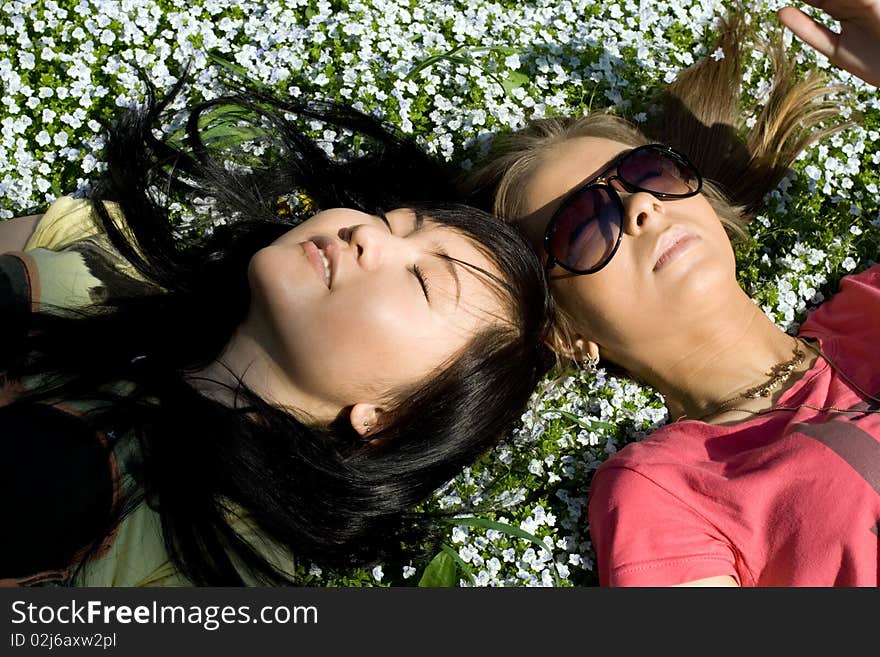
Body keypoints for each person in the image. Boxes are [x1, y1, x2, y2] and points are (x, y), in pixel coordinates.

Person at [0, 81, 554, 586]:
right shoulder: (111, 250)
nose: (366, 235)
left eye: (421, 280)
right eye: (390, 220)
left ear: (389, 418)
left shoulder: (214, 570)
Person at [464, 0, 880, 586]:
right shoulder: (665, 490)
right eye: (584, 224)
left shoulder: (871, 303)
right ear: (564, 331)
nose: (641, 207)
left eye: (650, 174)